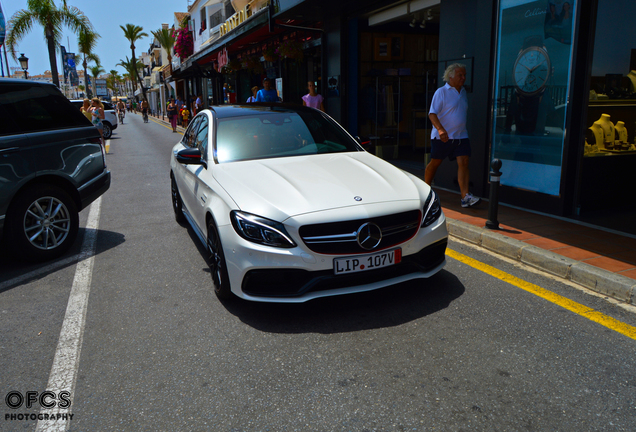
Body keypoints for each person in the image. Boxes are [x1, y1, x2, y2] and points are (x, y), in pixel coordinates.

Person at [425, 63, 481, 208]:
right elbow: (432, 114)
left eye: (464, 75)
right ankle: (425, 190)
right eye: (460, 75)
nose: (463, 78)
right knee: (435, 163)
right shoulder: (441, 92)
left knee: (464, 162)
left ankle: (465, 197)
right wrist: (441, 129)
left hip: (461, 136)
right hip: (442, 137)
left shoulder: (463, 92)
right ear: (450, 76)